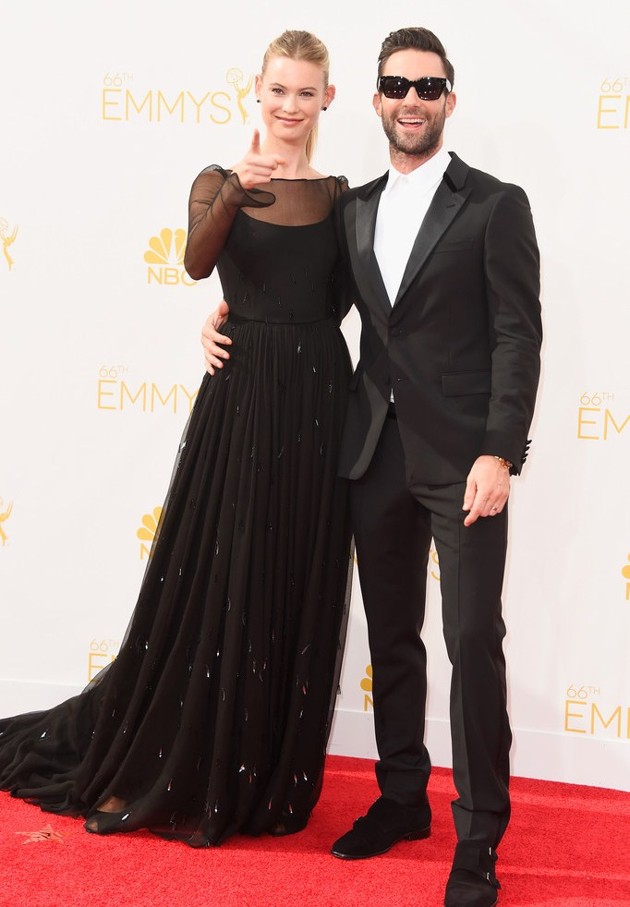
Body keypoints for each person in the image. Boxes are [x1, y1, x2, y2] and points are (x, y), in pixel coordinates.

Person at [202, 26, 542, 907]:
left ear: (450, 100)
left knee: (472, 641)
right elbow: (294, 298)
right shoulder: (354, 207)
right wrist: (214, 319)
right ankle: (401, 798)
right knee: (391, 641)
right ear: (379, 100)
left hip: (466, 461)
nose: (412, 100)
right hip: (371, 451)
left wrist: (502, 449)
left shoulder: (495, 204)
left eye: (429, 87)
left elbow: (517, 333)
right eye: (396, 86)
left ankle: (479, 840)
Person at [0, 29, 353, 847]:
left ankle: (265, 771)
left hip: (317, 401)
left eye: (305, 93)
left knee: (291, 573)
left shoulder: (344, 196)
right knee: (223, 575)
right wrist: (235, 191)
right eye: (277, 91)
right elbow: (198, 263)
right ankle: (197, 760)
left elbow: (345, 298)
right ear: (255, 93)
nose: (290, 106)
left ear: (327, 99)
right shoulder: (215, 181)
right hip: (239, 401)